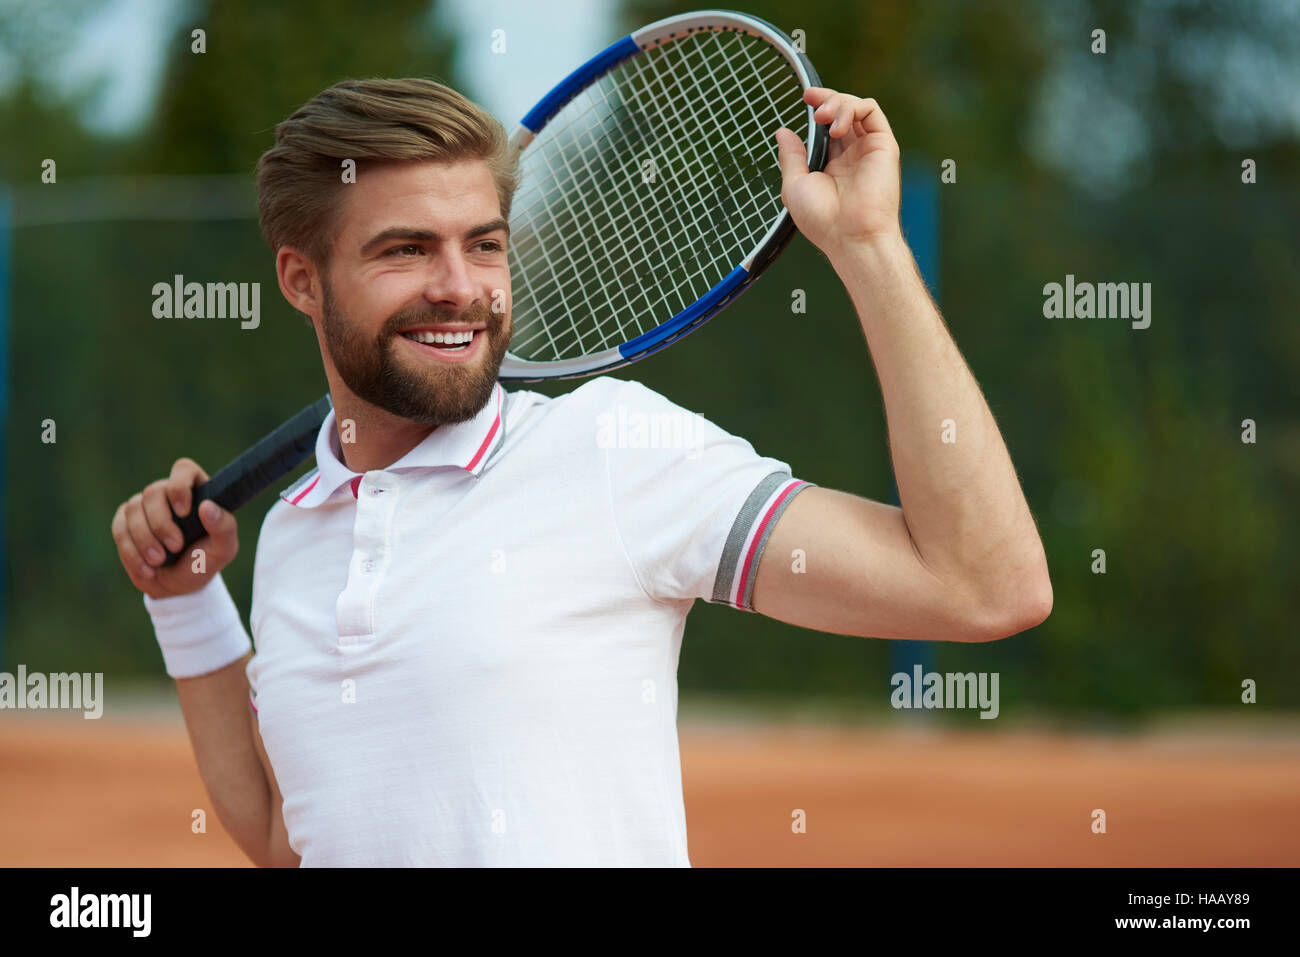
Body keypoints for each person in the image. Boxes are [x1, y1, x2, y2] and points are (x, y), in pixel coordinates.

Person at [110, 78, 1051, 867]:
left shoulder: (614, 452)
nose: (459, 285)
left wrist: (870, 249)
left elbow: (979, 586)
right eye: (405, 249)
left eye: (484, 242)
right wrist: (188, 600)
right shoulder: (295, 528)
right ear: (301, 280)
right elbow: (291, 835)